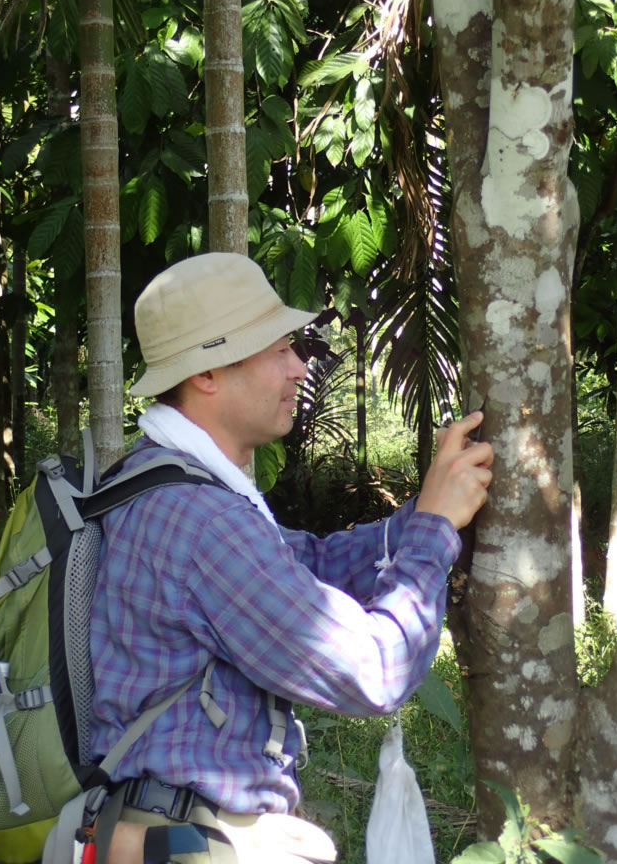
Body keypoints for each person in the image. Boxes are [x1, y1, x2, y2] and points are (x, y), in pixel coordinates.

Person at [89, 252, 493, 864]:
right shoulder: (203, 524)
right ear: (208, 372)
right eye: (278, 350)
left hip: (160, 822)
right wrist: (434, 532)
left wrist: (422, 511)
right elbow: (376, 672)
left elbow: (307, 564)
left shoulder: (150, 480)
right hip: (185, 840)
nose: (300, 368)